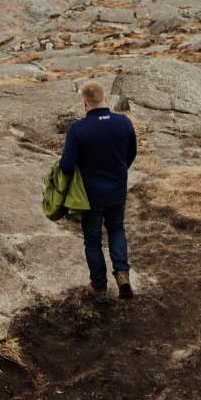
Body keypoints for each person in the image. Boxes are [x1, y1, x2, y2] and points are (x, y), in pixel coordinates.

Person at [58, 80, 136, 298]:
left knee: (92, 239)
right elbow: (131, 154)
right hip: (117, 190)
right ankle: (122, 273)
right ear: (106, 99)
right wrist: (118, 172)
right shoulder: (124, 123)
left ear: (84, 103)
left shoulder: (78, 129)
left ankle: (99, 285)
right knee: (116, 229)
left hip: (90, 195)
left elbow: (66, 165)